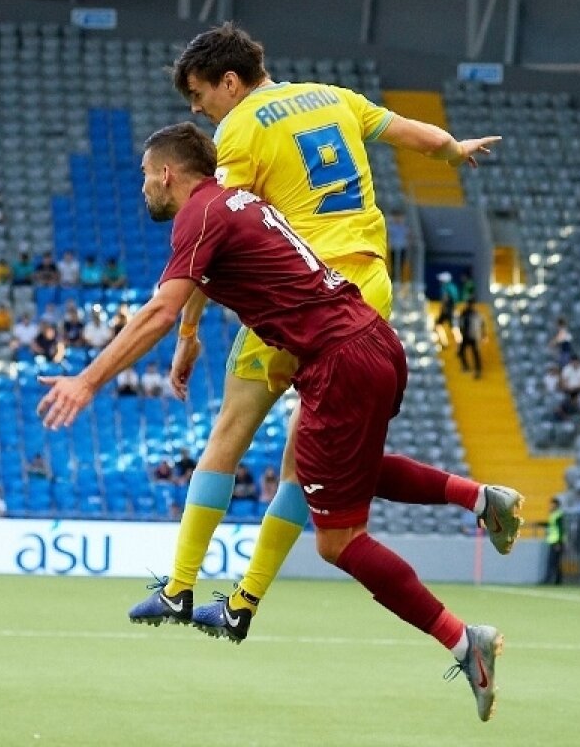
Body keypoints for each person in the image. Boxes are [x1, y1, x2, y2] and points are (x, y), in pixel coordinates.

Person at [37, 123, 509, 721]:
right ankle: (481, 500)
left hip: (339, 362)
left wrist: (87, 380)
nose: (142, 189)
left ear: (165, 174)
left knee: (338, 541)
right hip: (371, 344)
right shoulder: (239, 202)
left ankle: (465, 641)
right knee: (344, 472)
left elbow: (160, 310)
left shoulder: (199, 214)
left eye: (143, 177)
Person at [121, 25, 512, 645]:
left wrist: (189, 330)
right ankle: (245, 601)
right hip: (371, 291)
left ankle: (180, 585)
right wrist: (455, 150)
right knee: (304, 464)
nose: (197, 109)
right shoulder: (333, 95)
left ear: (230, 81)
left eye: (200, 94)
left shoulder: (239, 129)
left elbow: (214, 230)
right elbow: (419, 135)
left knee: (229, 431)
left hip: (308, 292)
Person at [457, 301, 484, 379]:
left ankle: (477, 369)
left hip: (472, 336)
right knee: (462, 352)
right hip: (467, 336)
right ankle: (467, 367)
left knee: (475, 353)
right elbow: (461, 323)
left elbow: (480, 324)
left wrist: (481, 334)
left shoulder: (474, 314)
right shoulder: (465, 313)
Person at [542, 497, 564, 585]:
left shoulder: (558, 515)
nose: (551, 506)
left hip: (557, 542)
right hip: (553, 541)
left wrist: (558, 542)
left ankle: (555, 580)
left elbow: (561, 529)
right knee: (553, 562)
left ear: (556, 505)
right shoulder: (553, 514)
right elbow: (550, 525)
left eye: (552, 504)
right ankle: (555, 580)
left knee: (554, 562)